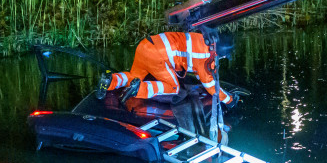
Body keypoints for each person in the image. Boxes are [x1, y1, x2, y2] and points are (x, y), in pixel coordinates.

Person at [99, 31, 234, 104]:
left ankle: (110, 80)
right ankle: (138, 89)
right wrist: (229, 100)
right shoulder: (205, 57)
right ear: (218, 53)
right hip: (158, 55)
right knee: (173, 87)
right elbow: (211, 86)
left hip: (145, 45)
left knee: (134, 75)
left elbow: (198, 70)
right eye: (222, 57)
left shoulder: (202, 38)